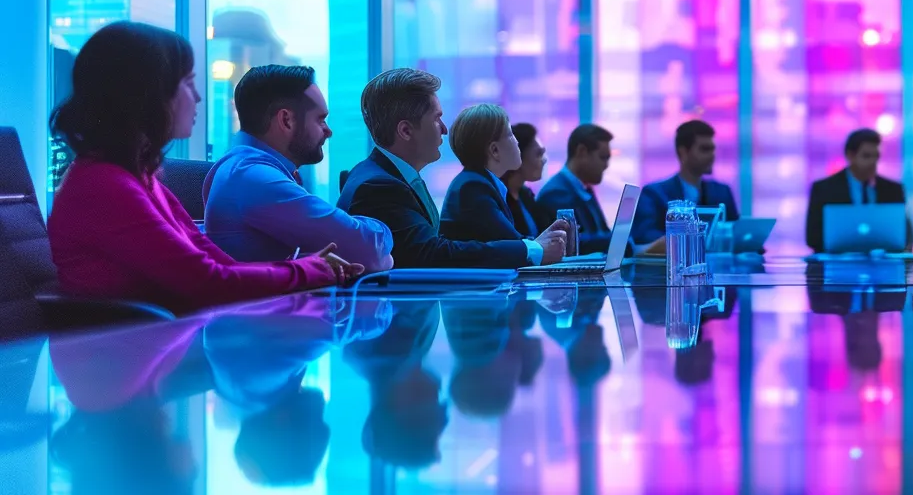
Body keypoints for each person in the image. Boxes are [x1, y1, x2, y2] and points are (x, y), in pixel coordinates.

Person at [47, 21, 358, 312]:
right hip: (122, 360)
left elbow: (220, 265)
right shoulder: (105, 186)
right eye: (188, 83)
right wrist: (309, 270)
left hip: (155, 349)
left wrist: (307, 266)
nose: (197, 97)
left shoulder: (140, 178)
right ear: (149, 94)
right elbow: (209, 283)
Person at [338, 68, 568, 268]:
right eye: (436, 119)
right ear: (406, 131)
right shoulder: (379, 186)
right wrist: (532, 250)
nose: (444, 129)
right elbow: (431, 254)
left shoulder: (390, 177)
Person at [203, 64, 394, 270]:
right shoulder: (253, 178)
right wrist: (382, 235)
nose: (328, 131)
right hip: (275, 302)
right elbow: (369, 252)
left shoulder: (241, 169)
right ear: (286, 120)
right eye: (320, 120)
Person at [440, 103, 543, 245]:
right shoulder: (472, 187)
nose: (517, 141)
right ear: (494, 150)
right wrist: (546, 242)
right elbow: (513, 243)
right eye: (511, 135)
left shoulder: (478, 182)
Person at [632, 119, 742, 248]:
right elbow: (643, 235)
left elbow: (736, 233)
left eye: (713, 149)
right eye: (705, 149)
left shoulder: (722, 191)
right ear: (683, 152)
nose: (712, 155)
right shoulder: (653, 194)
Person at [804, 128, 910, 253]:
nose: (873, 162)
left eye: (876, 156)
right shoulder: (823, 189)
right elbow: (812, 238)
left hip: (882, 265)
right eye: (866, 156)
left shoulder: (894, 190)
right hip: (836, 265)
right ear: (850, 155)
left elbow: (906, 236)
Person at [536, 123, 616, 255]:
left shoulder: (584, 189)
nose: (606, 166)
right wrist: (623, 241)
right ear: (582, 152)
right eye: (603, 157)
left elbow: (601, 233)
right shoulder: (556, 194)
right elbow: (572, 244)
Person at [498, 122, 553, 238]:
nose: (544, 160)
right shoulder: (498, 197)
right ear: (517, 156)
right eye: (538, 154)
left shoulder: (525, 194)